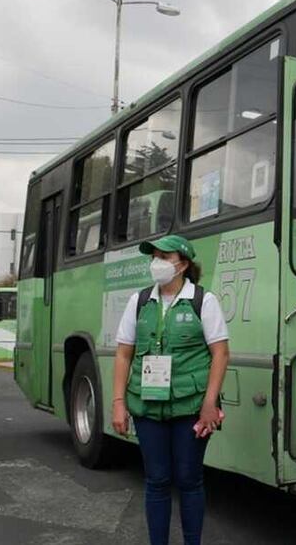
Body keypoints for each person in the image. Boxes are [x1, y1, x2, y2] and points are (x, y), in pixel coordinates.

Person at [111, 234, 229, 545]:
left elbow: (220, 353)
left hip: (191, 407)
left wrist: (210, 403)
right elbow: (124, 353)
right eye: (155, 257)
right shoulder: (139, 302)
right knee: (156, 481)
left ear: (183, 264)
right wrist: (119, 402)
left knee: (190, 480)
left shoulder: (203, 300)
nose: (157, 264)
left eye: (165, 257)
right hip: (147, 406)